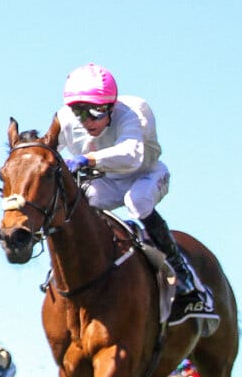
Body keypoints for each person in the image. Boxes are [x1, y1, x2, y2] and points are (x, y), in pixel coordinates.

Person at [57, 63, 216, 326]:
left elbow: (132, 155)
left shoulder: (134, 111)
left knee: (137, 202)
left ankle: (185, 277)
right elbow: (45, 150)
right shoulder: (65, 120)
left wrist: (86, 159)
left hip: (145, 175)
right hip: (106, 181)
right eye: (79, 112)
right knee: (78, 203)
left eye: (95, 112)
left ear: (111, 105)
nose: (87, 122)